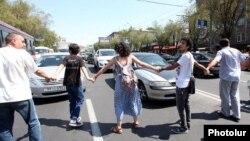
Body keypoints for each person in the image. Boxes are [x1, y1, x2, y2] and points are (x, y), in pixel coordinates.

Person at [93, 42, 161, 134]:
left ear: (117, 50)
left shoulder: (115, 59)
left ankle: (119, 127)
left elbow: (104, 68)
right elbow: (142, 64)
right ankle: (136, 122)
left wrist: (95, 76)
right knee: (133, 101)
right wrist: (155, 68)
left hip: (120, 84)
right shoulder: (131, 57)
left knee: (119, 103)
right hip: (132, 83)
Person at [0, 33, 51, 141]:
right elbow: (36, 70)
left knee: (4, 129)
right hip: (21, 96)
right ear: (13, 41)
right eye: (22, 41)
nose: (24, 44)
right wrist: (47, 76)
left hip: (2, 99)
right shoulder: (22, 54)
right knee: (33, 123)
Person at [160, 37, 208, 134]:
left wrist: (162, 68)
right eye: (180, 42)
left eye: (183, 43)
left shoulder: (185, 56)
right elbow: (196, 64)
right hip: (186, 83)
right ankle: (187, 124)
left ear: (187, 46)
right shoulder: (189, 55)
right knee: (186, 104)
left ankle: (183, 127)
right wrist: (205, 68)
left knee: (180, 106)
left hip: (182, 85)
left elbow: (174, 66)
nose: (180, 44)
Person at [51, 43, 94, 127]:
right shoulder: (79, 59)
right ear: (78, 51)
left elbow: (61, 66)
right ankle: (74, 119)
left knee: (72, 101)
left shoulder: (67, 58)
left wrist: (55, 74)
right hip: (77, 83)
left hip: (68, 83)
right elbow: (83, 68)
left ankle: (74, 117)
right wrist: (88, 77)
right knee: (80, 100)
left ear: (69, 50)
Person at [206, 38, 246, 122]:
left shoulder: (221, 52)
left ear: (220, 45)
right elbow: (244, 58)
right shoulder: (236, 51)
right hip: (236, 76)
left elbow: (216, 60)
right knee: (235, 95)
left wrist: (208, 67)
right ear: (229, 43)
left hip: (226, 77)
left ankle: (225, 113)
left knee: (224, 95)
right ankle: (237, 115)